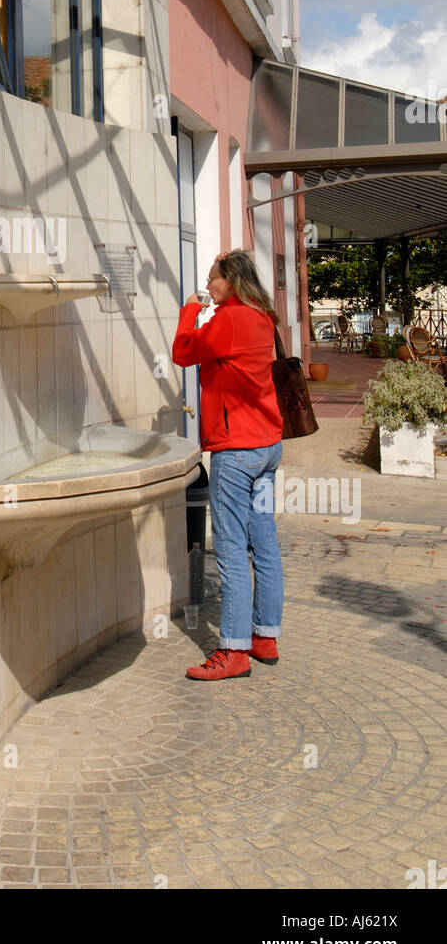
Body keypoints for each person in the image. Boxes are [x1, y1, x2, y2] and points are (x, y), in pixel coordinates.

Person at [172, 250, 284, 681]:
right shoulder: (262, 316)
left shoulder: (229, 319)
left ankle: (234, 651)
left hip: (236, 451)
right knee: (265, 543)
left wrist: (189, 312)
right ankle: (265, 637)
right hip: (268, 446)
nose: (209, 287)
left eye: (213, 280)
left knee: (233, 549)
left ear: (231, 281)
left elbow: (185, 352)